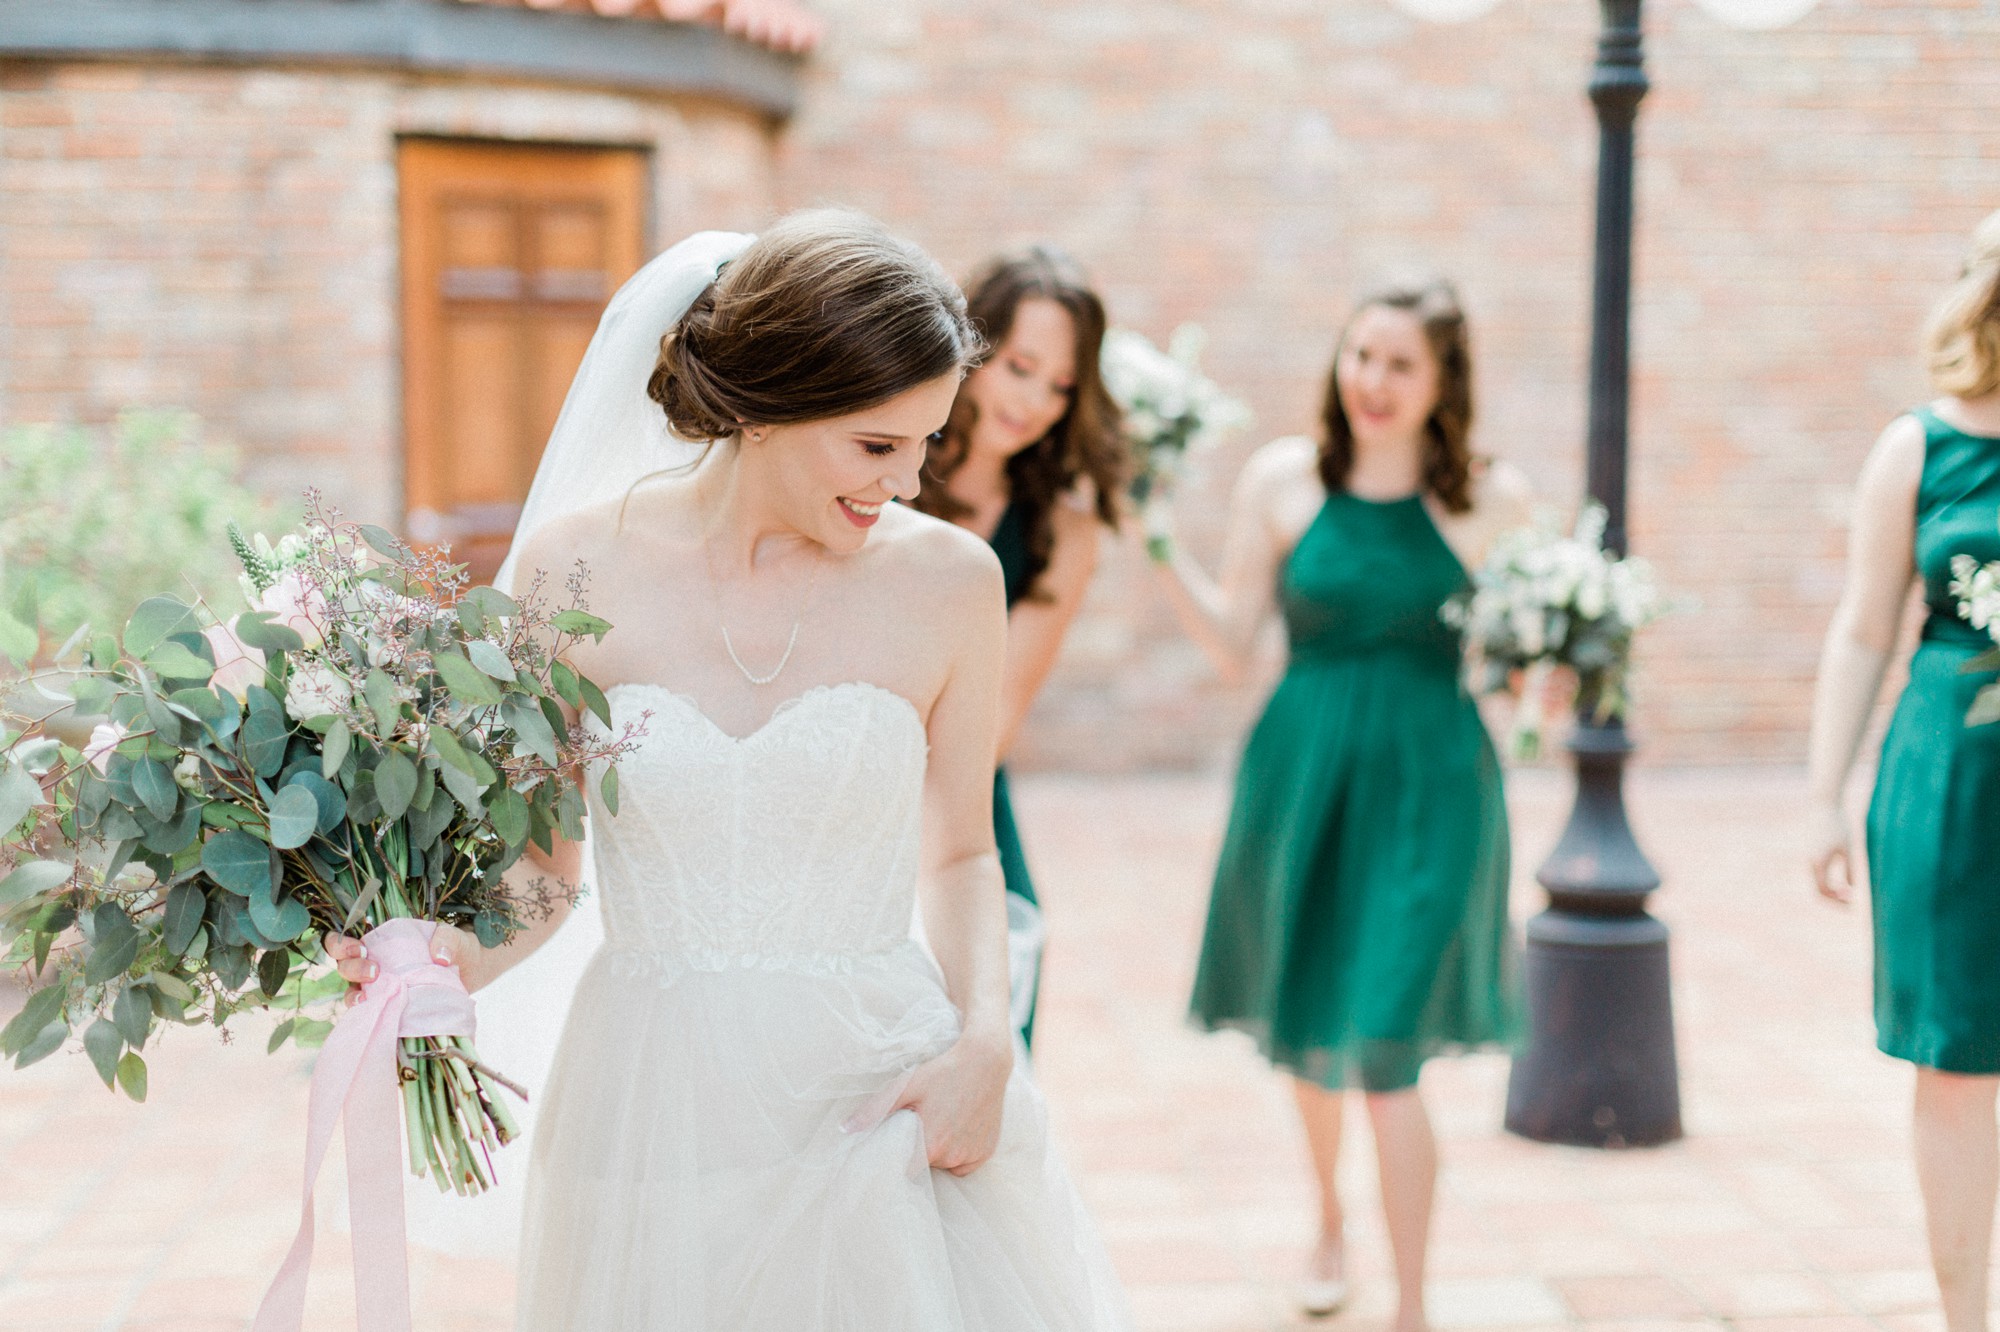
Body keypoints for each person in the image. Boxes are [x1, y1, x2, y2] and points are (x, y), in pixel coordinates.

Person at [328, 212, 1130, 1329]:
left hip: (872, 1083)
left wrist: (985, 1043)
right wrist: (440, 959)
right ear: (764, 409)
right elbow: (549, 873)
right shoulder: (572, 567)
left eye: (925, 446)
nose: (903, 484)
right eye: (873, 446)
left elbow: (955, 850)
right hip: (652, 1100)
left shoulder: (951, 582)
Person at [1147, 279, 1524, 1329]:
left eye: (1401, 364)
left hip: (1431, 788)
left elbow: (1512, 665)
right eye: (1360, 355)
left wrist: (1555, 669)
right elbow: (1232, 647)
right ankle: (1325, 1217)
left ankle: (1410, 1307)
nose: (1373, 381)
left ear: (1442, 383)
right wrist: (1155, 539)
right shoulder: (1281, 482)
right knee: (1309, 1009)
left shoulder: (1489, 503)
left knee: (1384, 1047)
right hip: (1301, 777)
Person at [1807, 208, 2000, 1332]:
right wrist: (1819, 795)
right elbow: (1858, 632)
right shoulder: (1916, 448)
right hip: (1948, 785)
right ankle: (1965, 1314)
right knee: (1957, 1052)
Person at [910, 247, 1125, 1047]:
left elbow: (994, 725)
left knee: (984, 1044)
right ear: (972, 346)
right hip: (836, 772)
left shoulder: (1061, 533)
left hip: (966, 810)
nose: (1035, 400)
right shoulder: (876, 471)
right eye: (1022, 367)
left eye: (1062, 385)